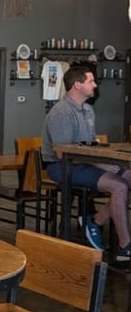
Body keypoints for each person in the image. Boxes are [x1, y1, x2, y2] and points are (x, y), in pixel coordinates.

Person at [41, 64, 131, 256]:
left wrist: (103, 161)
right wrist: (101, 163)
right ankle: (125, 245)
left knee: (129, 177)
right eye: (90, 81)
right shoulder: (61, 112)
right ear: (77, 85)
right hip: (61, 167)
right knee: (120, 186)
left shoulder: (88, 110)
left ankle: (95, 221)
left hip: (84, 162)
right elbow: (63, 153)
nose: (95, 85)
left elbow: (88, 146)